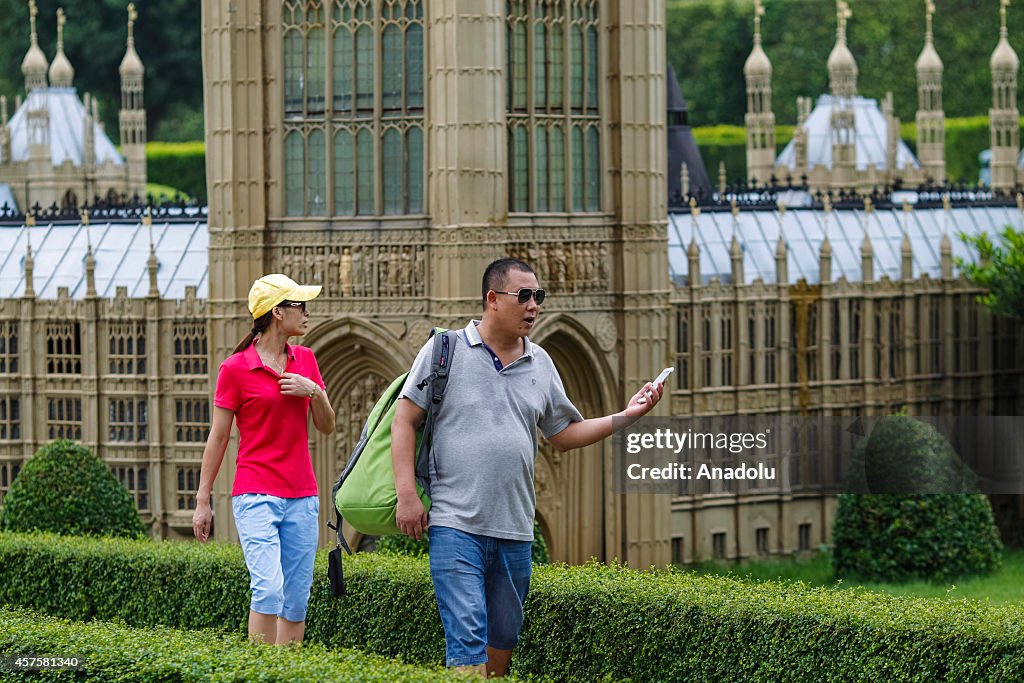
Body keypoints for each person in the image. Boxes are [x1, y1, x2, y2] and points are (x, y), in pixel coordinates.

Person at [392, 258, 663, 677]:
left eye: (539, 296)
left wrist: (627, 415)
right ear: (493, 299)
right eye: (524, 296)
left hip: (515, 530)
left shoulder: (540, 362)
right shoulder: (445, 350)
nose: (534, 305)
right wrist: (407, 495)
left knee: (501, 649)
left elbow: (563, 434)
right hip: (454, 524)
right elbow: (404, 420)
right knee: (466, 643)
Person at [192, 273, 336, 645]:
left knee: (296, 600)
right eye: (299, 306)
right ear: (277, 312)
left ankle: (287, 672)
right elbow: (219, 437)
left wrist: (314, 392)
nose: (307, 313)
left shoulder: (305, 359)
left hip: (302, 496)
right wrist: (202, 501)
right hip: (255, 494)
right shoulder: (235, 369)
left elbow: (327, 426)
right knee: (269, 590)